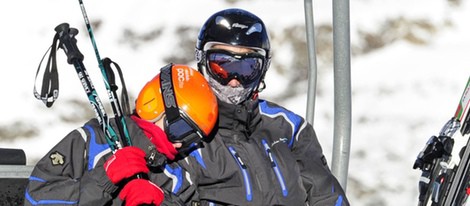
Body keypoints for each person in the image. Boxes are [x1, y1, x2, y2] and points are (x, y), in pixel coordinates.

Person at [153, 8, 350, 205]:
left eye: (247, 68)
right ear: (202, 61)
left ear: (263, 69)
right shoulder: (182, 135)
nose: (234, 81)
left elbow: (327, 196)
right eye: (222, 66)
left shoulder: (288, 129)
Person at [24, 64, 218, 205]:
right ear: (154, 107)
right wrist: (103, 181)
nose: (180, 144)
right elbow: (35, 199)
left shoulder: (180, 176)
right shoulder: (93, 141)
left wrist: (162, 202)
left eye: (192, 139)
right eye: (181, 130)